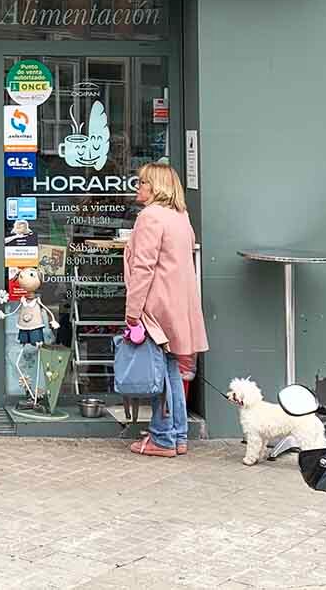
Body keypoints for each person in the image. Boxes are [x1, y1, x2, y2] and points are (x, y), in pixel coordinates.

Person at [123, 162, 208, 458]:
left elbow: (143, 267)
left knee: (159, 371)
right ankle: (178, 434)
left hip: (156, 305)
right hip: (179, 304)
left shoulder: (150, 217)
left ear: (155, 187)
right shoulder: (180, 216)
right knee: (172, 368)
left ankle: (161, 438)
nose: (139, 187)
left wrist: (132, 311)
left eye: (143, 182)